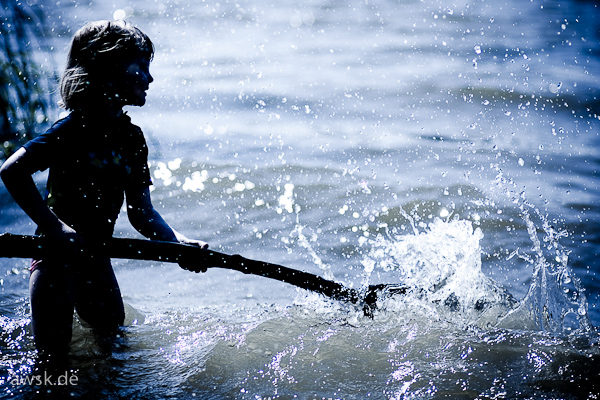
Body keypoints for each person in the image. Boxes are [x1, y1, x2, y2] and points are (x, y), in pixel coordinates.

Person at [0, 20, 208, 363]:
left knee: (112, 349)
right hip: (57, 261)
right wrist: (55, 228)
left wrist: (179, 245)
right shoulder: (72, 130)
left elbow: (142, 214)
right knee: (51, 365)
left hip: (97, 259)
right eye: (140, 67)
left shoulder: (132, 139)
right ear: (108, 69)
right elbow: (12, 171)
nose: (150, 78)